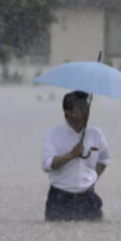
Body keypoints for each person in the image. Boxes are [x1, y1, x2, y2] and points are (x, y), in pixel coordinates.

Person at [42, 90, 110, 221]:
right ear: (68, 113)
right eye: (81, 109)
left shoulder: (96, 134)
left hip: (87, 198)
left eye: (86, 108)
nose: (86, 113)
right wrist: (70, 155)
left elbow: (104, 159)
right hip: (59, 200)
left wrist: (91, 179)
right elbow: (47, 165)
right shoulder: (53, 135)